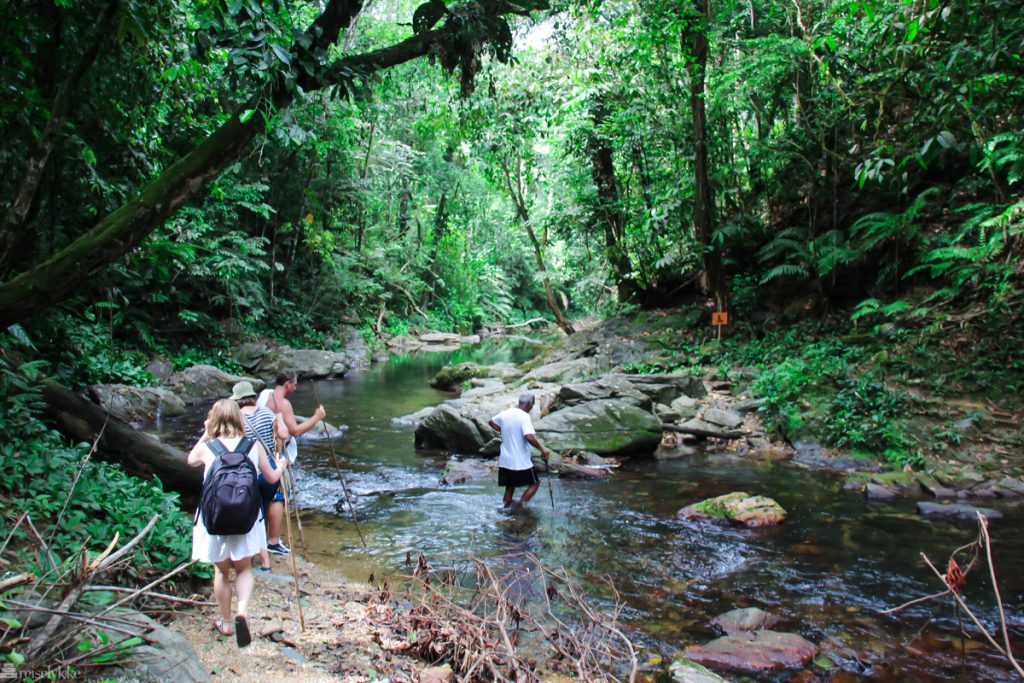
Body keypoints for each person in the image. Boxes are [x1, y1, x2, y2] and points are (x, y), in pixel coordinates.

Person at [188, 399, 286, 648]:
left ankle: (227, 622)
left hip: (215, 519)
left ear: (214, 419)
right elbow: (271, 477)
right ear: (239, 419)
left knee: (221, 571)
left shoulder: (208, 447)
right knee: (243, 570)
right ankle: (242, 610)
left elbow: (190, 461)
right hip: (247, 518)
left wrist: (205, 430)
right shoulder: (252, 446)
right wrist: (282, 464)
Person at [256, 369, 326, 554]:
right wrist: (316, 418)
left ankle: (259, 536)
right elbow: (295, 431)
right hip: (276, 454)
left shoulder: (264, 395)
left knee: (262, 493)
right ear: (288, 384)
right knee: (278, 496)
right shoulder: (284, 404)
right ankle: (273, 541)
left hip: (260, 451)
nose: (296, 387)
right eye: (295, 384)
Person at [230, 381, 290, 571]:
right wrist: (279, 419)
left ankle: (251, 550)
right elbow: (284, 434)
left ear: (238, 400)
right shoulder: (266, 413)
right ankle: (271, 542)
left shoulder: (236, 418)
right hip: (271, 467)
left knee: (254, 511)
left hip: (249, 471)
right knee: (270, 501)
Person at [488, 393, 550, 509]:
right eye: (532, 406)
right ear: (529, 405)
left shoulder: (506, 413)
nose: (531, 408)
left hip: (505, 460)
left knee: (510, 486)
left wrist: (503, 430)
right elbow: (529, 436)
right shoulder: (524, 416)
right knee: (535, 483)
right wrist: (543, 450)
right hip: (520, 461)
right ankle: (521, 505)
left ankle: (506, 509)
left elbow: (491, 422)